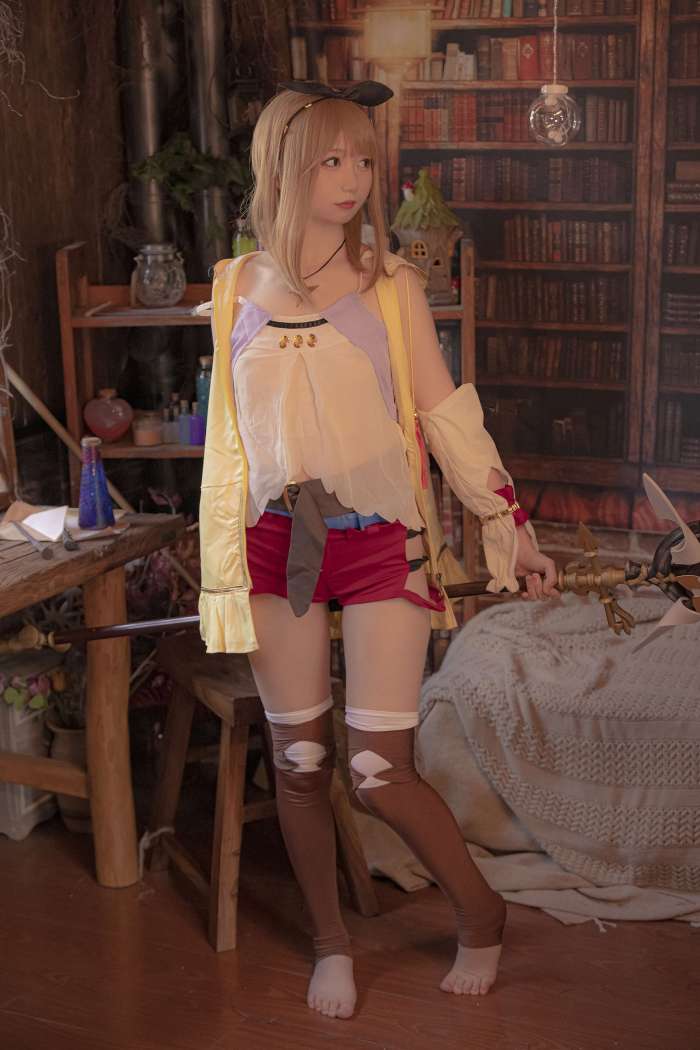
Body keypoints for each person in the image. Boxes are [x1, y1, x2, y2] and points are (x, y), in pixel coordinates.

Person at [198, 81, 560, 1021]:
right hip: (274, 543)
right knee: (299, 762)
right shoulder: (234, 286)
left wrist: (509, 527)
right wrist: (219, 564)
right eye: (332, 159)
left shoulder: (391, 286)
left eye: (363, 158)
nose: (354, 178)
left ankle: (480, 912)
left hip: (378, 539)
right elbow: (229, 442)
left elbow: (446, 415)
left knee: (375, 771)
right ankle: (331, 944)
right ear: (284, 166)